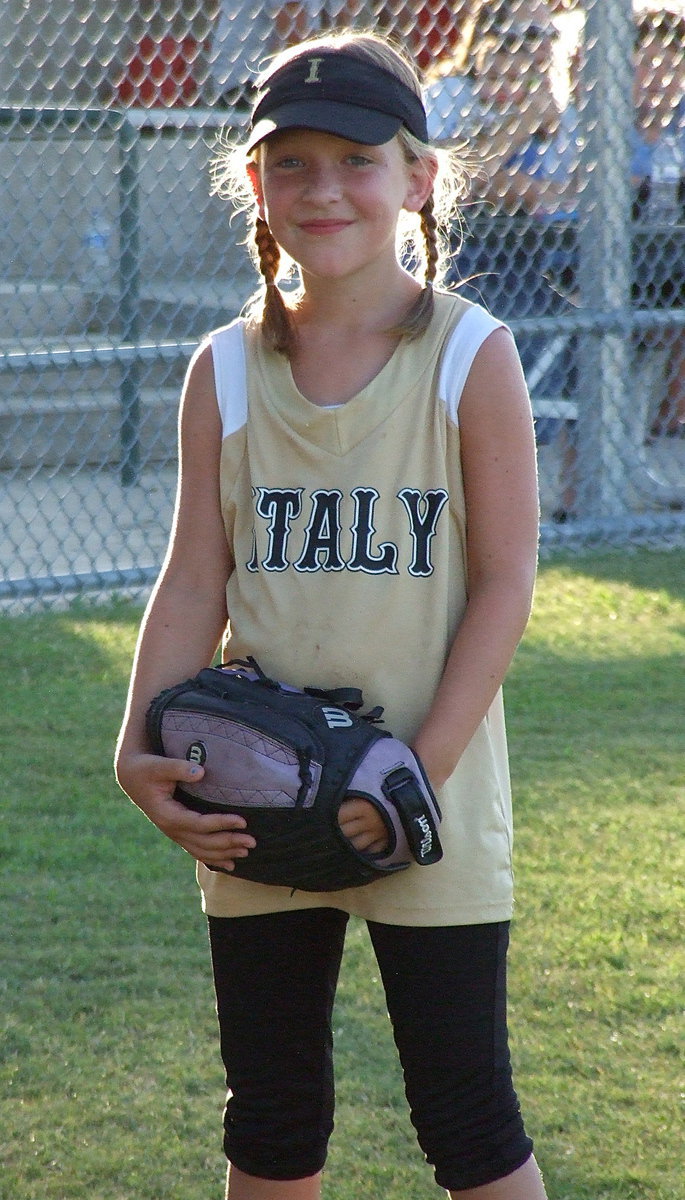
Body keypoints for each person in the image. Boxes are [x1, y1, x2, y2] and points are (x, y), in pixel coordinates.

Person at [115, 30, 547, 1200]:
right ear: (253, 184)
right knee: (269, 1113)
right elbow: (194, 576)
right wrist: (138, 741)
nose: (323, 189)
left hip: (422, 796)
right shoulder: (229, 368)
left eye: (357, 160)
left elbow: (508, 577)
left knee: (465, 1111)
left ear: (418, 179)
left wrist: (410, 768)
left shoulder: (469, 354)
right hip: (252, 780)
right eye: (290, 163)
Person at [631, 9, 685, 438]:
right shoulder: (601, 124)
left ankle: (670, 419)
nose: (656, 77)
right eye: (645, 64)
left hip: (670, 260)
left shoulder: (679, 130)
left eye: (669, 64)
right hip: (615, 259)